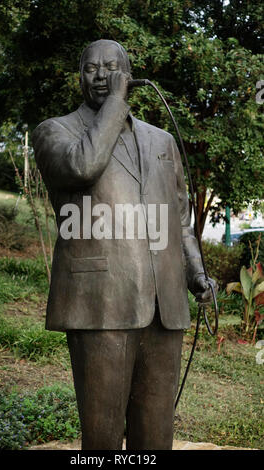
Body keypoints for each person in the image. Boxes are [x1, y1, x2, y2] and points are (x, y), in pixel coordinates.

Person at [32, 39, 216, 450]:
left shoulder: (162, 140)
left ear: (128, 74)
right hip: (100, 302)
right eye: (91, 68)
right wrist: (116, 103)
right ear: (79, 76)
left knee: (156, 434)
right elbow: (84, 166)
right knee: (103, 436)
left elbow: (179, 216)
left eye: (112, 68)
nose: (101, 76)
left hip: (163, 305)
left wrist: (195, 271)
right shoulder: (54, 131)